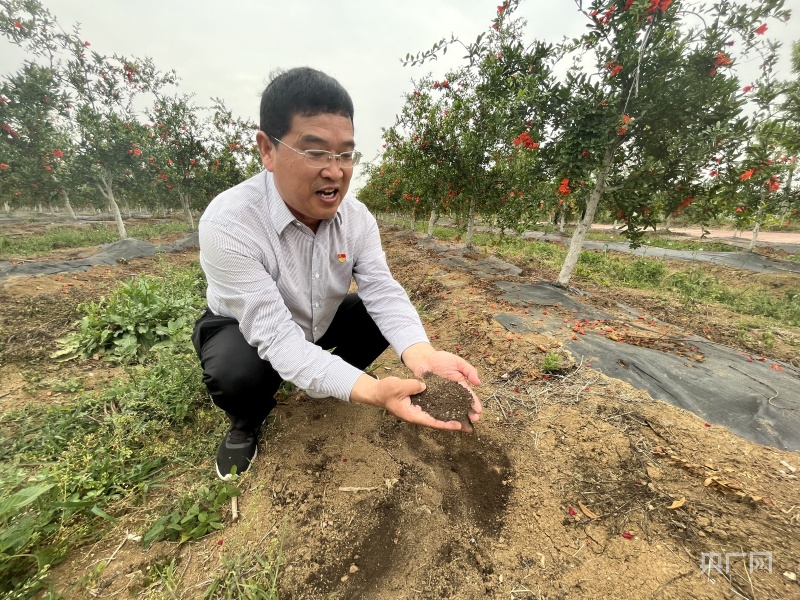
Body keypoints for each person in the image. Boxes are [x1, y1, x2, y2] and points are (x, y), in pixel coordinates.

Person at [192, 67, 482, 480]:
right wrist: (374, 391)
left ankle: (329, 381)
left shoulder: (357, 218)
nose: (335, 171)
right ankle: (245, 424)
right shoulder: (229, 223)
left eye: (345, 154)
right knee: (234, 372)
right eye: (315, 152)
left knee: (375, 315)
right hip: (244, 327)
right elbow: (276, 336)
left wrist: (423, 357)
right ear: (268, 150)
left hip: (319, 315)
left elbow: (383, 290)